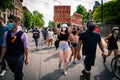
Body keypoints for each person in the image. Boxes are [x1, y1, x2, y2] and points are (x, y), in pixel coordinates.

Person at [0, 15, 29, 80]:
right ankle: (19, 73)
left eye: (11, 22)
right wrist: (1, 58)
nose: (9, 24)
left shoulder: (23, 35)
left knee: (17, 75)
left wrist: (27, 58)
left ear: (17, 23)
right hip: (9, 57)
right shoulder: (6, 34)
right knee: (14, 70)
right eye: (8, 22)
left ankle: (19, 75)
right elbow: (4, 46)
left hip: (19, 57)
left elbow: (26, 47)